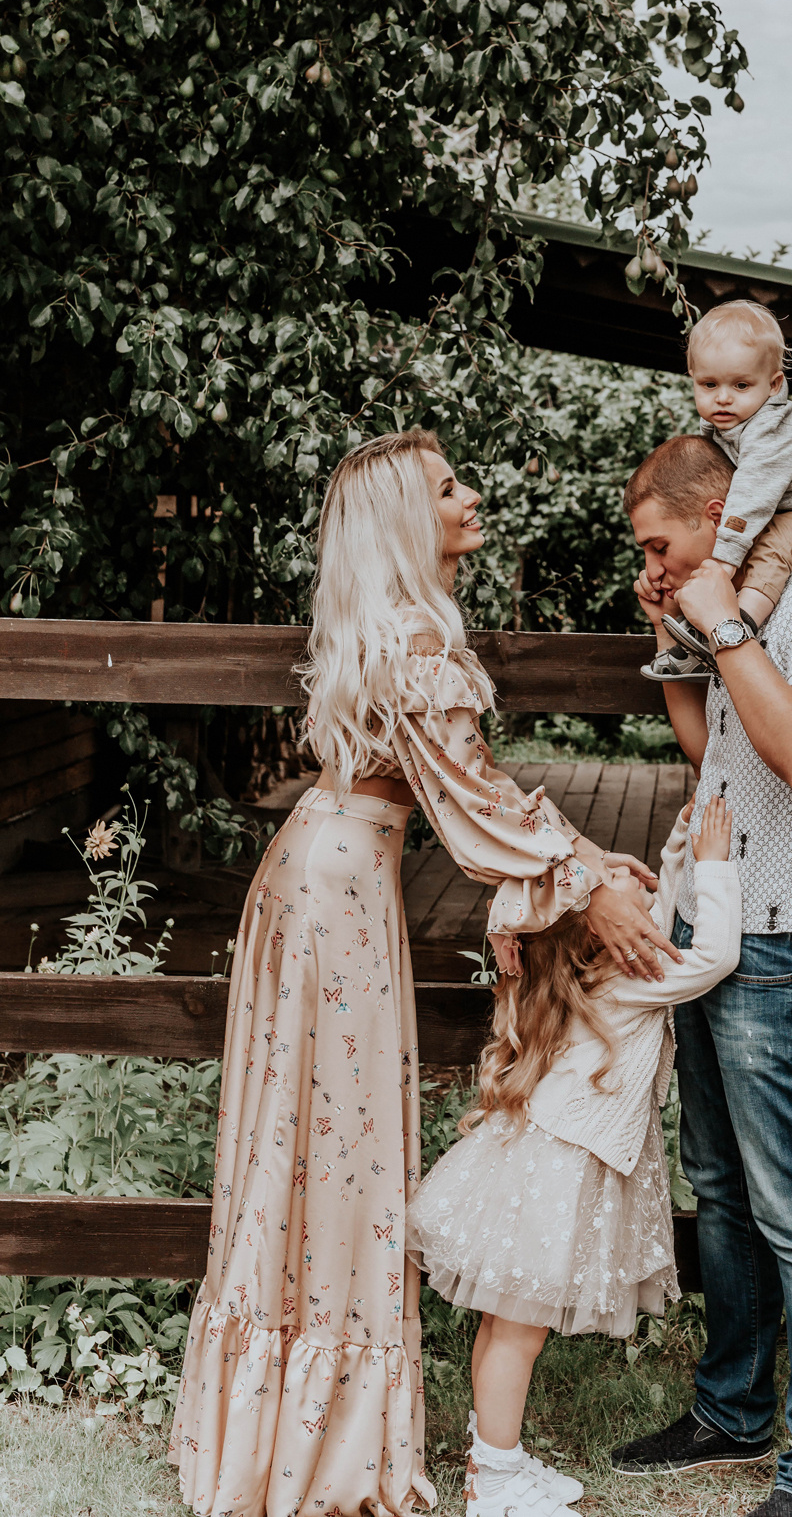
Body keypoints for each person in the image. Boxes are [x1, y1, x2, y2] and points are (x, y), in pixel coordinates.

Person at [170, 430, 677, 1517]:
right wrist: (587, 880)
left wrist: (581, 864)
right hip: (337, 896)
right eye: (449, 489)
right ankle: (324, 1439)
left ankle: (281, 1420)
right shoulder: (418, 640)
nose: (472, 497)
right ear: (407, 519)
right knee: (339, 1148)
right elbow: (480, 806)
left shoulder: (395, 631)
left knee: (304, 1147)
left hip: (320, 875)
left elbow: (470, 794)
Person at [613, 433, 792, 1517]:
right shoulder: (740, 609)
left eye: (659, 544)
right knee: (722, 1189)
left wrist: (722, 614)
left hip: (791, 937)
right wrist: (679, 632)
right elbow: (721, 751)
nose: (649, 562)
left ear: (721, 508)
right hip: (723, 922)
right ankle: (731, 1414)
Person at [406, 792, 742, 1517]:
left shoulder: (585, 973)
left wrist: (680, 846)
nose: (636, 888)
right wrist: (714, 869)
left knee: (507, 1325)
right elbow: (716, 955)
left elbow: (650, 899)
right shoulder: (636, 979)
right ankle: (494, 1485)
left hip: (536, 1165)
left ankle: (495, 1460)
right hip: (555, 1176)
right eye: (619, 895)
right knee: (517, 1332)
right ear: (604, 937)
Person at [645, 300, 792, 682]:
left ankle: (734, 626)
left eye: (741, 385)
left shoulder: (772, 427)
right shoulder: (722, 423)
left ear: (774, 385)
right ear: (692, 376)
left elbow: (752, 493)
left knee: (769, 546)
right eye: (708, 385)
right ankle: (697, 633)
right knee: (730, 545)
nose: (723, 397)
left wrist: (726, 560)